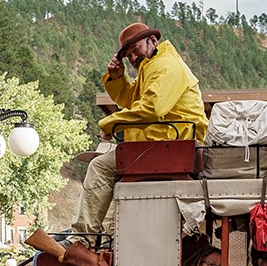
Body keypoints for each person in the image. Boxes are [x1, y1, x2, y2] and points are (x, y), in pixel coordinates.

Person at [69, 22, 209, 237]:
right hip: (164, 143)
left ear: (153, 41)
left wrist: (109, 123)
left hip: (169, 145)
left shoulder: (165, 66)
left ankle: (83, 237)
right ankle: (105, 236)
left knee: (100, 167)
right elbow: (131, 100)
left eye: (136, 50)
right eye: (129, 55)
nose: (133, 58)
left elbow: (152, 108)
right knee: (111, 173)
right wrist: (117, 78)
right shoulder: (152, 67)